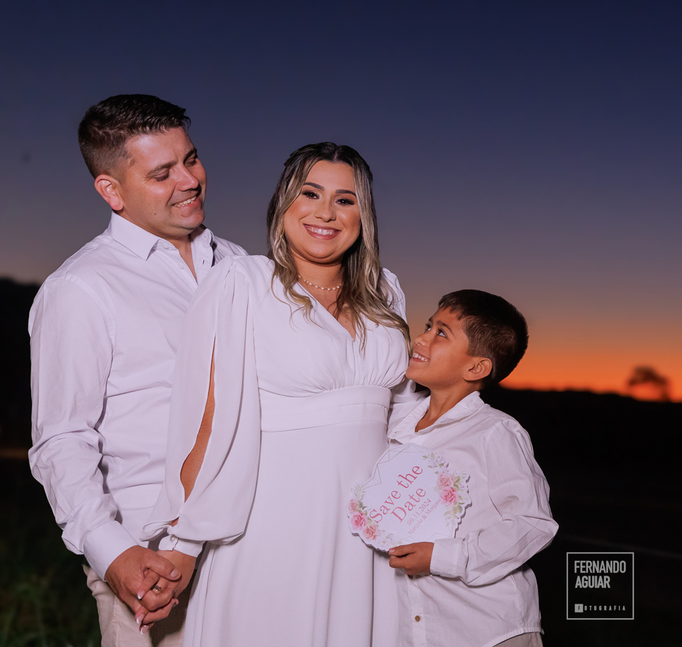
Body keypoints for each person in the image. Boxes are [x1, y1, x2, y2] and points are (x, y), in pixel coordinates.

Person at [142, 143, 418, 647]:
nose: (325, 213)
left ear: (364, 216)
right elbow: (207, 421)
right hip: (272, 523)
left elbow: (404, 418)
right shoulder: (241, 283)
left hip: (371, 531)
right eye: (310, 193)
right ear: (283, 203)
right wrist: (182, 541)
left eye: (345, 200)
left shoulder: (386, 292)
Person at [29, 94, 248, 644]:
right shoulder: (80, 289)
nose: (190, 180)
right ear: (111, 190)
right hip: (150, 558)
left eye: (191, 159)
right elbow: (61, 439)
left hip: (254, 543)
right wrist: (114, 552)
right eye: (162, 173)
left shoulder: (240, 266)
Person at [384, 290, 558, 647]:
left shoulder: (495, 432)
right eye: (429, 325)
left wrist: (442, 557)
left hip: (489, 631)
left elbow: (533, 525)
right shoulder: (394, 429)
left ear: (476, 367)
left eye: (441, 333)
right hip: (417, 634)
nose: (422, 337)